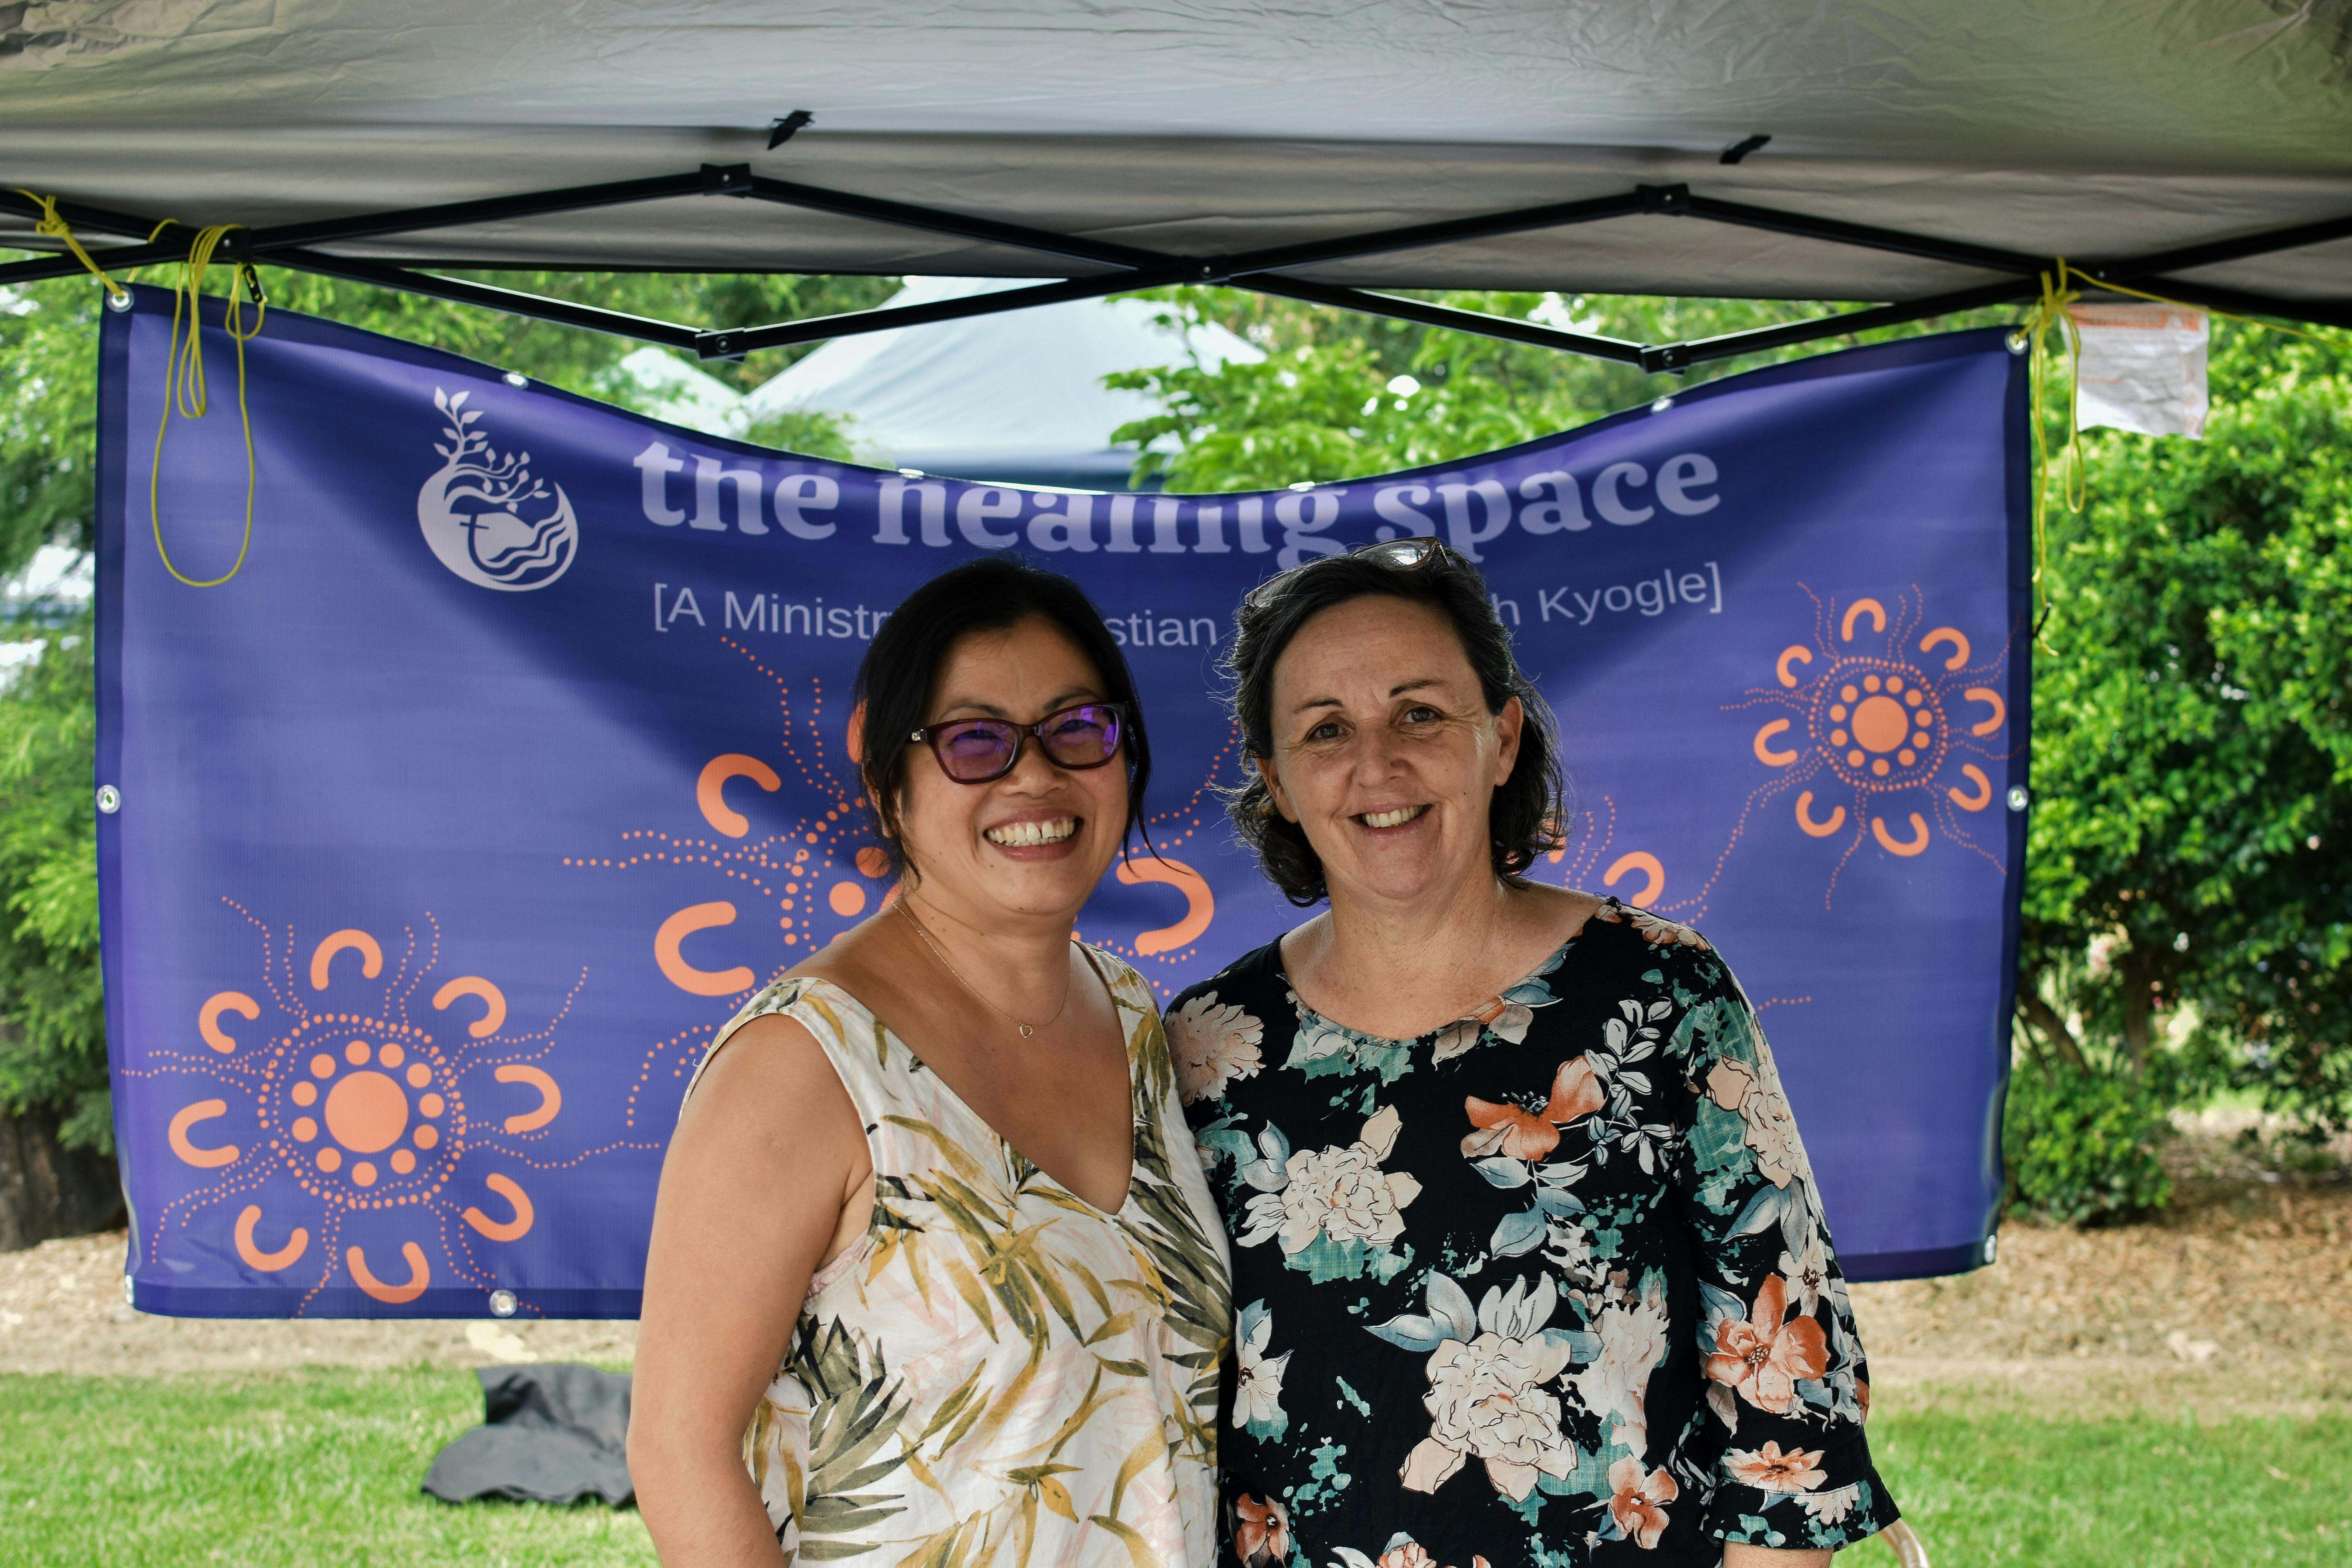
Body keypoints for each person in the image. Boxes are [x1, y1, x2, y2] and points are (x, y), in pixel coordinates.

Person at [1168, 538, 1895, 1567]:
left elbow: (1792, 1393)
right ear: (1277, 781)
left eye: (1420, 713)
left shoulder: (1660, 995)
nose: (1377, 764)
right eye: (1325, 730)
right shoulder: (1207, 1051)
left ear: (1502, 737)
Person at [630, 557, 1232, 1566]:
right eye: (975, 741)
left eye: (1076, 728)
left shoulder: (1134, 1017)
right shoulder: (805, 1061)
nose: (1034, 776)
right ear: (890, 787)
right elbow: (678, 1452)